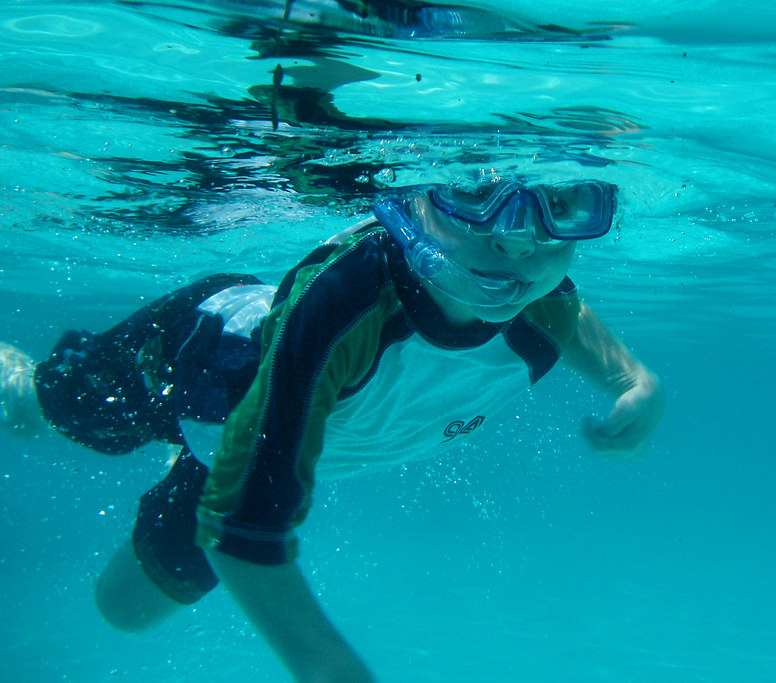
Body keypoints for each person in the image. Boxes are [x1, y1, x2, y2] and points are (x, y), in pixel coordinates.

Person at [0, 177, 664, 682]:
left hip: (252, 433)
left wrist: (638, 384)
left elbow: (565, 310)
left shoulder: (539, 294)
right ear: (412, 200)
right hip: (187, 359)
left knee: (126, 608)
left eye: (562, 206)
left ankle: (222, 463)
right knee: (37, 410)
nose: (518, 237)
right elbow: (241, 534)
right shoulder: (348, 303)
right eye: (476, 192)